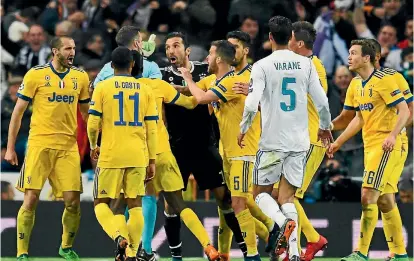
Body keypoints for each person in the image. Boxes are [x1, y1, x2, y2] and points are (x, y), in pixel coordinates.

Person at [239, 16, 332, 261]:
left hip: (271, 141)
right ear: (290, 37)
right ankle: (292, 252)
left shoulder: (261, 65)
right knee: (288, 198)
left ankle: (281, 224)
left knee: (260, 194)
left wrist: (244, 127)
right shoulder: (307, 65)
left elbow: (250, 104)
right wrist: (325, 127)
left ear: (270, 37)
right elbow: (322, 102)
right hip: (299, 142)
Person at [161, 32, 249, 261]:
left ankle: (247, 249)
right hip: (176, 149)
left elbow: (202, 93)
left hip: (204, 146)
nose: (171, 50)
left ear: (187, 50)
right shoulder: (160, 76)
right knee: (171, 205)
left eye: (176, 45)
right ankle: (176, 256)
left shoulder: (204, 71)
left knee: (225, 199)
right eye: (168, 47)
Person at [5, 35, 90, 261]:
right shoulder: (35, 75)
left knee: (73, 202)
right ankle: (22, 252)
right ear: (55, 51)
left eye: (74, 48)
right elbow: (18, 112)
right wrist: (10, 148)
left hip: (67, 146)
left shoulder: (80, 77)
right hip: (39, 144)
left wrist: (96, 141)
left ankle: (66, 247)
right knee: (31, 199)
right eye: (68, 48)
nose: (72, 52)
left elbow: (85, 113)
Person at [330, 38, 413, 261]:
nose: (349, 57)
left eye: (353, 53)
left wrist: (393, 135)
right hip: (371, 146)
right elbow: (357, 119)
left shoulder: (387, 80)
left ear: (367, 57)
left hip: (388, 146)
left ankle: (361, 252)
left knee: (368, 195)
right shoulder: (356, 85)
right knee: (385, 199)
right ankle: (401, 254)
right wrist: (337, 141)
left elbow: (405, 111)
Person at [179, 40, 262, 261]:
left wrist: (188, 77)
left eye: (209, 54)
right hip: (227, 152)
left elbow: (201, 97)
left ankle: (264, 243)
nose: (206, 58)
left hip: (242, 150)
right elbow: (190, 91)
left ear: (218, 59)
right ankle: (230, 253)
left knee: (240, 202)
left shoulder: (232, 81)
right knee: (234, 203)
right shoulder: (214, 80)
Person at [91, 26, 161, 259]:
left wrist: (93, 145)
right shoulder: (145, 89)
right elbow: (152, 127)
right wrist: (152, 158)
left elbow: (92, 124)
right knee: (135, 205)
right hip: (138, 153)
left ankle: (121, 240)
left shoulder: (102, 85)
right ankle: (130, 253)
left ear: (111, 67)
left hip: (111, 152)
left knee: (101, 203)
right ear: (132, 65)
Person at [137, 76, 220, 261]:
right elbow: (189, 103)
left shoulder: (117, 89)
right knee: (179, 206)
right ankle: (208, 245)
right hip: (163, 153)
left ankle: (141, 250)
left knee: (135, 203)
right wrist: (202, 93)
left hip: (140, 155)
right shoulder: (158, 84)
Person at [272, 21, 329, 260]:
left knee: (287, 196)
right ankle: (301, 241)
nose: (288, 42)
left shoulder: (311, 66)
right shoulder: (303, 64)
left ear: (300, 43)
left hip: (309, 139)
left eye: (291, 39)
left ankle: (311, 240)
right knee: (278, 195)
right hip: (294, 138)